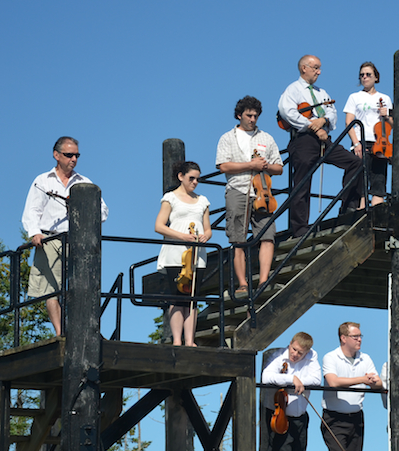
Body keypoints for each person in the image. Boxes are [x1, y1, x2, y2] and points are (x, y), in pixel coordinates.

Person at [21, 136, 109, 335]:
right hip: (49, 239)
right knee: (51, 289)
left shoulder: (85, 182)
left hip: (79, 242)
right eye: (69, 155)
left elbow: (103, 212)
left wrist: (81, 207)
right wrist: (35, 233)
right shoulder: (42, 181)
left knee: (81, 287)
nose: (74, 159)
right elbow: (32, 210)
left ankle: (82, 331)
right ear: (56, 155)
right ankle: (61, 333)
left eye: (77, 155)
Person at [279, 55, 364, 237]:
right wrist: (312, 126)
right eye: (315, 67)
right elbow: (287, 112)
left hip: (324, 139)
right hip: (304, 140)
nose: (319, 71)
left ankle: (347, 207)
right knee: (302, 182)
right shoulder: (292, 90)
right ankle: (300, 228)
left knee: (355, 163)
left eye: (319, 68)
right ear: (304, 68)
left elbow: (332, 114)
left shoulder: (321, 93)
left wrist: (323, 120)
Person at [215, 95, 283, 296]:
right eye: (249, 115)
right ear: (239, 115)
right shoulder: (228, 137)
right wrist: (250, 165)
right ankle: (243, 283)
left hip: (263, 191)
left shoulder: (266, 138)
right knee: (238, 238)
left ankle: (263, 280)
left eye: (256, 116)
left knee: (267, 234)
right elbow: (223, 165)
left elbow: (279, 167)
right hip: (238, 189)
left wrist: (266, 166)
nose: (253, 119)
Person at [320, 322, 382, 451]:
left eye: (360, 336)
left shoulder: (366, 358)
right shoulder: (331, 357)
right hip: (334, 418)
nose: (359, 340)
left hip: (356, 417)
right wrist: (362, 380)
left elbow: (378, 383)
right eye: (355, 336)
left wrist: (373, 381)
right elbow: (333, 382)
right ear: (343, 338)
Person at [259, 332, 321, 451]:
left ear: (306, 352)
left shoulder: (312, 357)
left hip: (300, 417)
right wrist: (290, 379)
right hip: (279, 417)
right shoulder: (278, 357)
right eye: (294, 350)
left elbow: (316, 380)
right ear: (290, 344)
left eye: (300, 353)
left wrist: (299, 381)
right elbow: (266, 377)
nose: (295, 355)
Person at [154, 161, 211, 347]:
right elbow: (159, 226)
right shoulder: (170, 197)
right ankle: (177, 340)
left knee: (193, 298)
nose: (195, 182)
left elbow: (208, 229)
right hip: (175, 252)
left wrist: (205, 236)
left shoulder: (203, 200)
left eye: (197, 179)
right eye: (191, 178)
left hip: (197, 254)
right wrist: (182, 237)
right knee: (178, 296)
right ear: (181, 176)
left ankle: (190, 341)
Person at [344, 62, 392, 207]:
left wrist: (387, 115)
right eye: (362, 75)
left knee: (379, 181)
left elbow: (393, 125)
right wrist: (356, 143)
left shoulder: (385, 98)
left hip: (380, 143)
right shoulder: (354, 97)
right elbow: (349, 122)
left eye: (368, 74)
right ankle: (362, 215)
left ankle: (378, 215)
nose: (364, 77)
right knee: (361, 181)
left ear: (376, 77)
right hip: (362, 141)